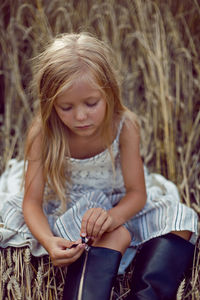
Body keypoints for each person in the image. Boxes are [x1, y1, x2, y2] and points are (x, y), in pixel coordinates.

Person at [0, 33, 198, 300]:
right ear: (51, 104)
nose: (80, 116)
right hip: (70, 210)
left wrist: (112, 217)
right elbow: (31, 203)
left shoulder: (124, 125)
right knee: (111, 236)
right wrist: (48, 241)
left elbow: (137, 193)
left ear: (109, 93)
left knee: (181, 219)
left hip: (117, 206)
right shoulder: (43, 132)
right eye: (66, 107)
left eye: (91, 104)